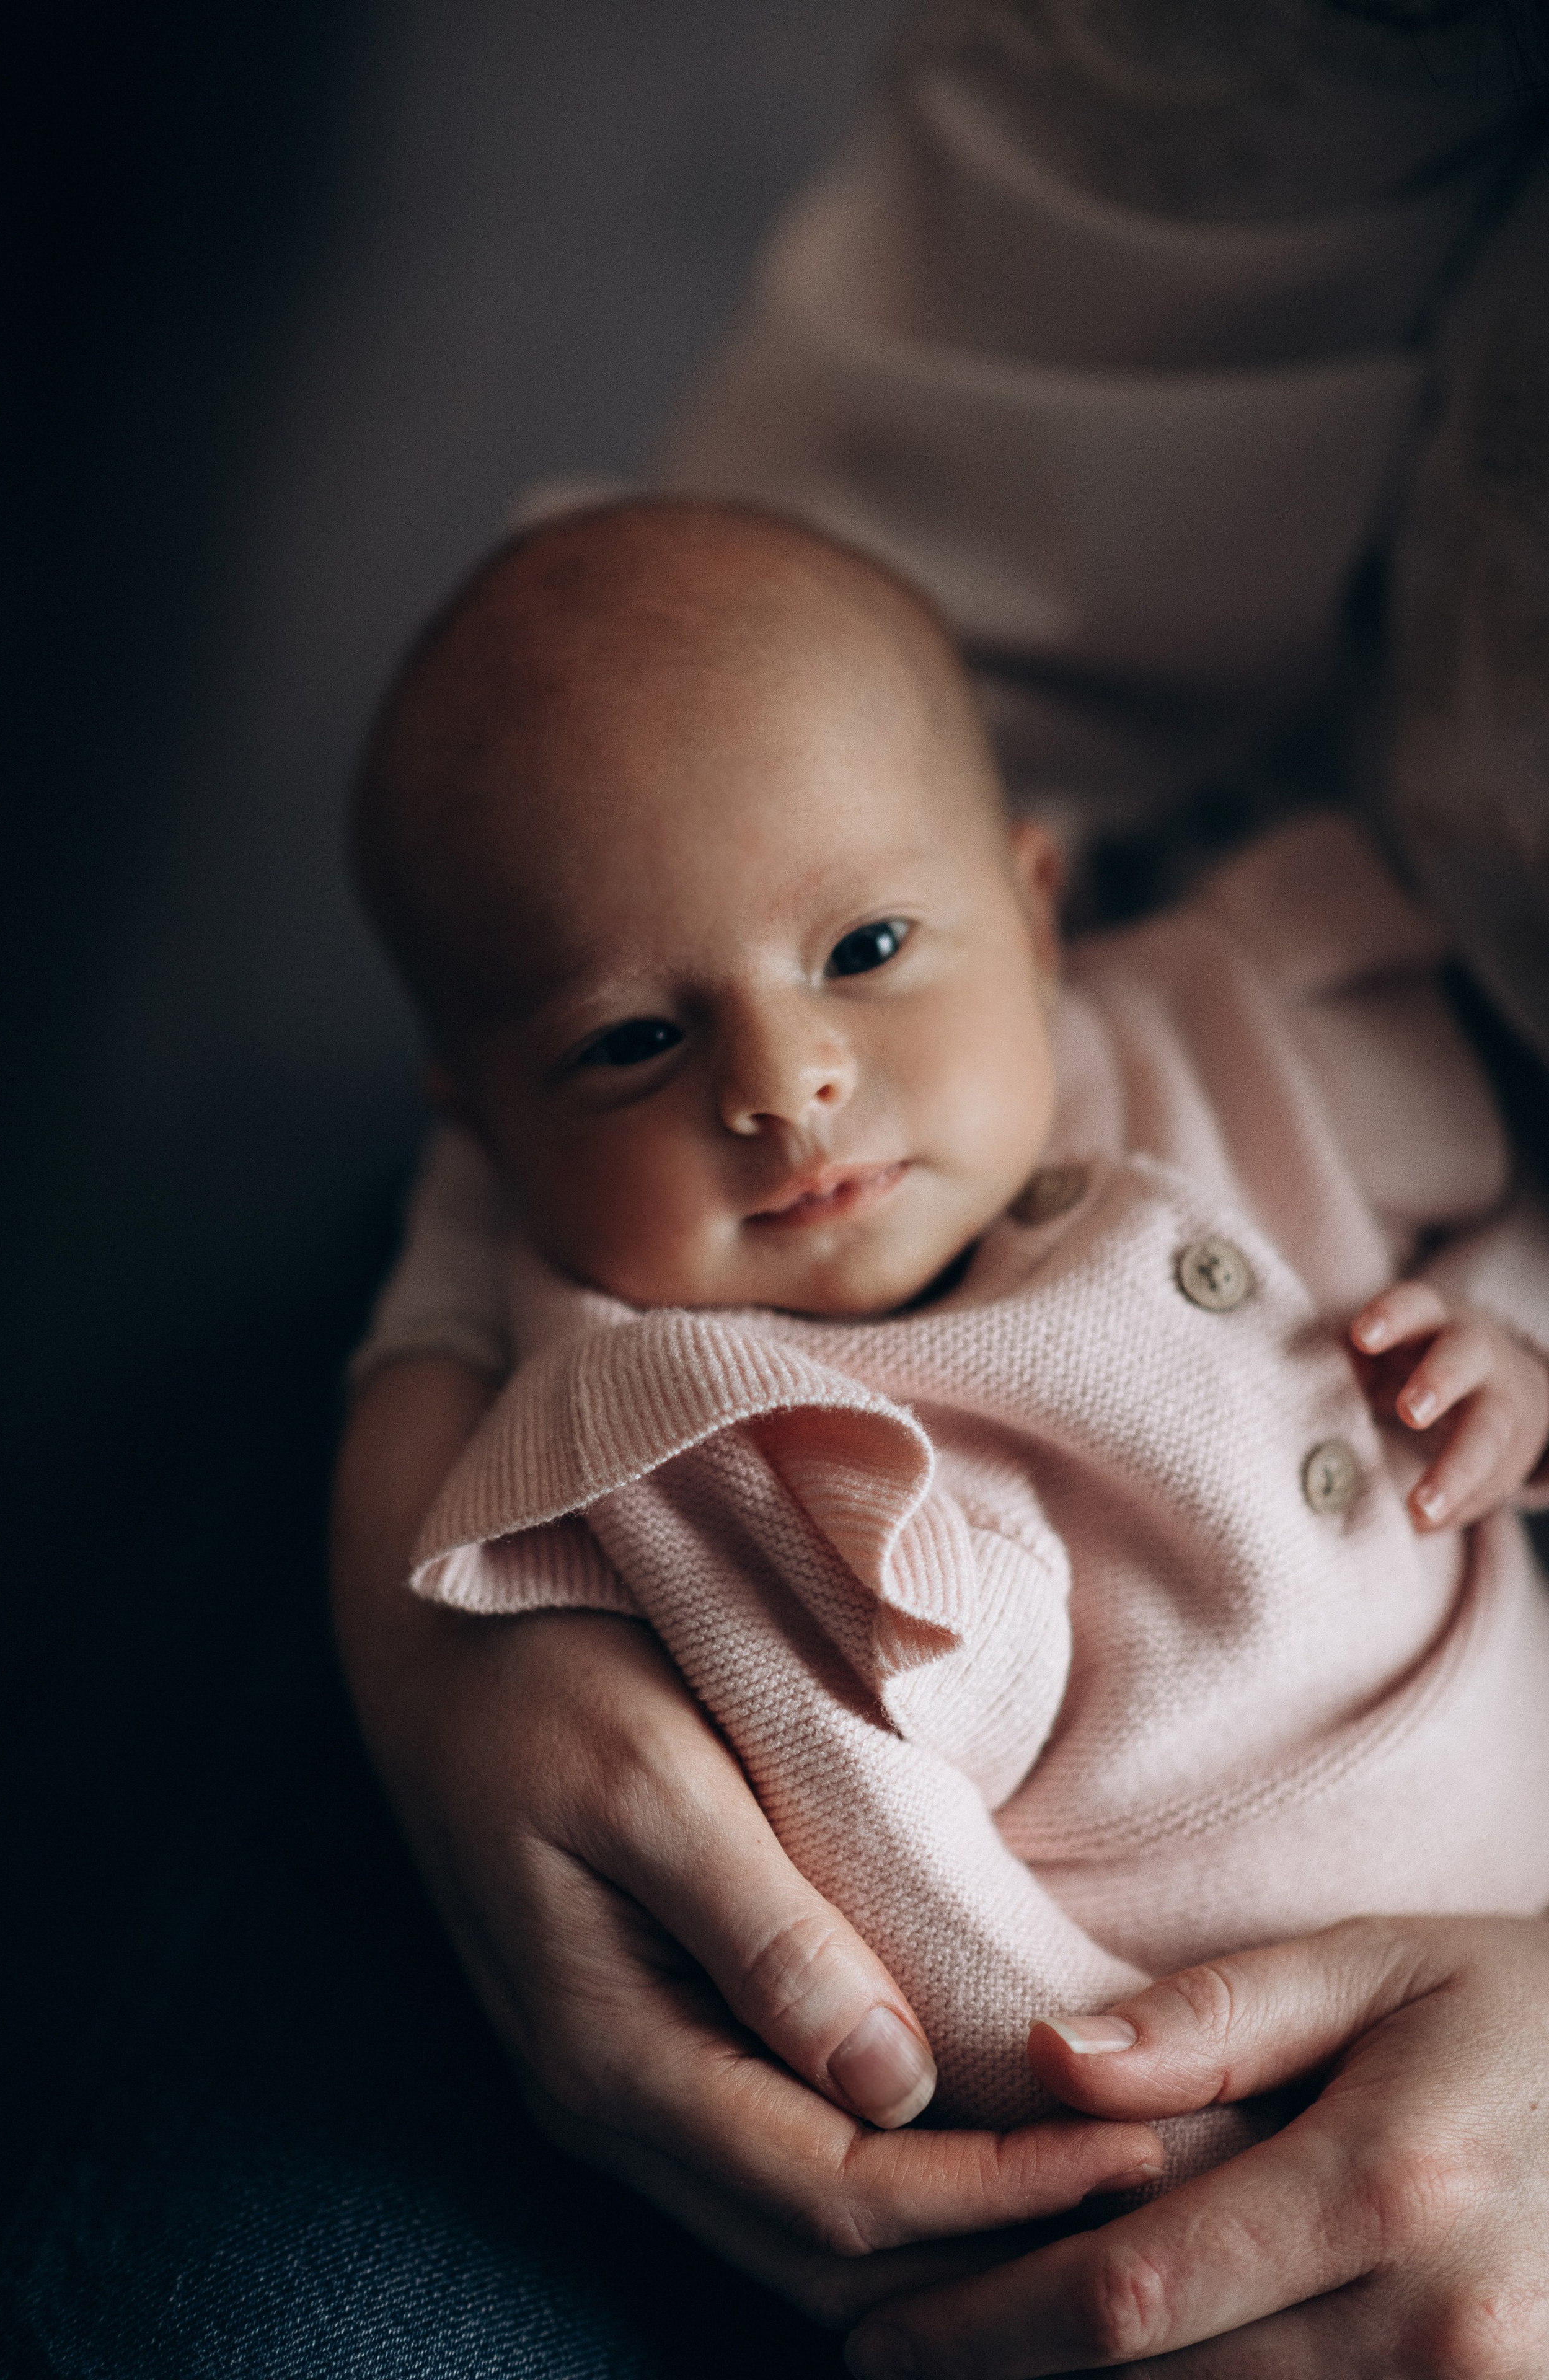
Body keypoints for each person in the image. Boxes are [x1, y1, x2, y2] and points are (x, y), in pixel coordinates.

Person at [335, 493, 1549, 2361]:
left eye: (873, 944)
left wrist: (1514, 1342)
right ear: (485, 1133)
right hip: (1209, 2105)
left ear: (1038, 910)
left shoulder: (1220, 1028)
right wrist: (1138, 2164)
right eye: (632, 1045)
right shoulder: (672, 1424)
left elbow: (1498, 1227)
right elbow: (892, 1891)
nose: (784, 1082)